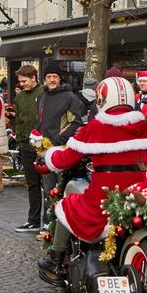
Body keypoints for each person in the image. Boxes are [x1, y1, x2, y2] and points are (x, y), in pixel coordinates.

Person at [38, 76, 147, 286]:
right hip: (137, 198)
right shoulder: (144, 126)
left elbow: (65, 158)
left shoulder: (97, 126)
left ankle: (55, 261)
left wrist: (49, 155)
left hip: (102, 204)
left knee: (66, 205)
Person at [36, 59, 83, 231]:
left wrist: (60, 138)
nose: (52, 79)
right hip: (44, 151)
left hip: (61, 151)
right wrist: (36, 138)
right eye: (49, 76)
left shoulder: (70, 97)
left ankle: (64, 225)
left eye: (55, 76)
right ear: (45, 78)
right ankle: (48, 223)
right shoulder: (42, 96)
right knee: (48, 188)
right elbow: (39, 121)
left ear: (60, 78)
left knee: (62, 187)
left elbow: (76, 122)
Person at [13, 65, 44, 232]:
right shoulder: (19, 98)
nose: (21, 84)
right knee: (32, 184)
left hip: (42, 145)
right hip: (25, 145)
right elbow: (18, 119)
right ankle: (33, 220)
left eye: (24, 81)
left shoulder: (44, 94)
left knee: (48, 185)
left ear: (33, 78)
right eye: (20, 81)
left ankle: (49, 221)